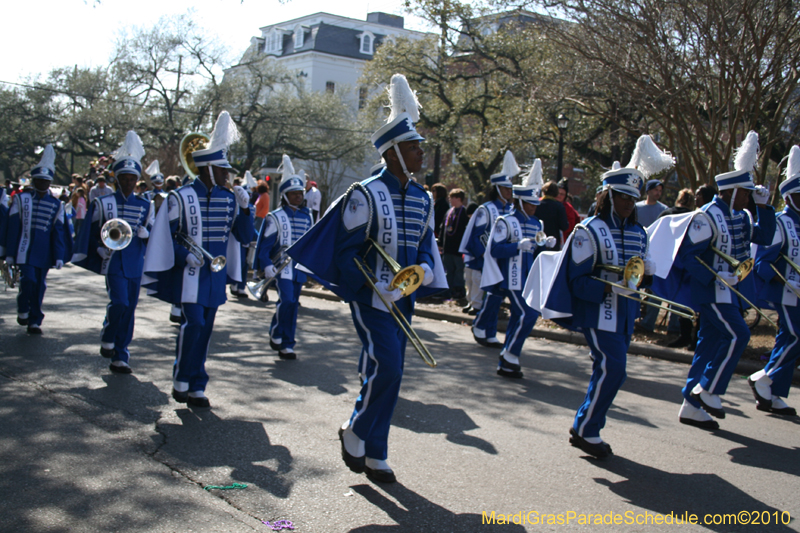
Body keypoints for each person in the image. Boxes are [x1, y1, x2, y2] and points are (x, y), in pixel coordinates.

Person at [287, 73, 446, 483]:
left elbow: (427, 243)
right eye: (414, 148)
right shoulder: (364, 193)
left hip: (404, 297)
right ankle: (356, 429)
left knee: (393, 375)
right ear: (393, 152)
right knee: (388, 367)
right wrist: (369, 285)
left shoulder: (423, 198)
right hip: (372, 297)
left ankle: (376, 451)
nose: (420, 154)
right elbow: (345, 253)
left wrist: (426, 268)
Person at [143, 111, 254, 408]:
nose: (228, 175)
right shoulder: (179, 198)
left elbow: (244, 237)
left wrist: (246, 210)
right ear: (208, 169)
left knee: (205, 330)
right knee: (193, 324)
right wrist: (184, 256)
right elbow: (167, 237)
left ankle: (196, 384)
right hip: (189, 274)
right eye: (223, 169)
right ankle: (182, 377)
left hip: (215, 276)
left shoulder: (230, 198)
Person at [675, 131, 775, 429]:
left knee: (708, 346)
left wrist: (765, 207)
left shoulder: (743, 216)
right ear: (731, 191)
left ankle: (691, 406)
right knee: (739, 335)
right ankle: (709, 390)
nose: (748, 197)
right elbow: (688, 257)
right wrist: (717, 275)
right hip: (711, 293)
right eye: (745, 192)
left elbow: (765, 237)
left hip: (730, 293)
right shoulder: (706, 216)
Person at [72, 131, 154, 374]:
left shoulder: (145, 205)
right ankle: (108, 331)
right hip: (113, 261)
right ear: (117, 179)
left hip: (135, 261)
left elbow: (153, 231)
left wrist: (147, 235)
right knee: (119, 302)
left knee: (129, 310)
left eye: (132, 179)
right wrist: (97, 247)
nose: (128, 182)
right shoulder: (103, 202)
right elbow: (91, 230)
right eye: (124, 178)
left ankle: (121, 354)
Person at [482, 159, 555, 378]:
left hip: (529, 276)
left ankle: (507, 361)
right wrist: (516, 246)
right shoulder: (504, 222)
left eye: (535, 204)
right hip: (510, 277)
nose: (533, 207)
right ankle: (511, 354)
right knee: (529, 314)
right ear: (520, 201)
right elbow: (494, 249)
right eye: (530, 203)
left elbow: (536, 249)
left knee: (519, 316)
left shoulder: (537, 223)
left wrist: (546, 245)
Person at [749, 145, 800, 418]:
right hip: (787, 293)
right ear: (790, 197)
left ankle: (775, 393)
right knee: (795, 336)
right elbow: (763, 262)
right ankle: (764, 377)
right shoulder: (782, 223)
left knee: (790, 339)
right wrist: (785, 282)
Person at [5, 145, 70, 334]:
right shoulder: (21, 199)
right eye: (39, 181)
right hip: (23, 249)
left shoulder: (57, 204)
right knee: (29, 280)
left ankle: (35, 319)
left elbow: (58, 232)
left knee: (40, 285)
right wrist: (9, 253)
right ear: (34, 181)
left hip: (44, 252)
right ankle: (23, 308)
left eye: (46, 181)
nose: (42, 184)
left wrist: (58, 255)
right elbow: (13, 228)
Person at [254, 156, 312, 359]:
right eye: (294, 194)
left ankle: (287, 343)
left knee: (293, 305)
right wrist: (266, 264)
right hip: (282, 267)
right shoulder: (275, 217)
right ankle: (276, 331)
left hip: (298, 268)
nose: (298, 197)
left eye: (300, 193)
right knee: (286, 300)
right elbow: (265, 246)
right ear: (285, 196)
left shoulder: (307, 216)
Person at [460, 151, 519, 347]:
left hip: (501, 262)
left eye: (511, 188)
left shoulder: (510, 210)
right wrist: (484, 259)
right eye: (506, 188)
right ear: (497, 188)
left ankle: (487, 329)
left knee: (496, 297)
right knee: (490, 297)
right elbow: (475, 238)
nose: (510, 192)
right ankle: (483, 327)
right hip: (484, 262)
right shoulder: (486, 209)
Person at [655, 188, 696, 348]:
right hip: (688, 263)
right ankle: (690, 337)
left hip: (670, 262)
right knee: (688, 300)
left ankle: (684, 334)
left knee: (675, 298)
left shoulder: (667, 214)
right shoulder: (694, 217)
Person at [439, 188, 468, 300]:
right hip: (448, 247)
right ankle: (447, 290)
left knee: (459, 271)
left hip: (458, 249)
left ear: (458, 199)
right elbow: (443, 228)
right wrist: (441, 242)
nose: (450, 200)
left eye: (452, 198)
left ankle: (458, 291)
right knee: (448, 270)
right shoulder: (449, 212)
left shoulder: (464, 213)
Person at [536, 181, 569, 250]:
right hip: (553, 243)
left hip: (538, 239)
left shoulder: (536, 205)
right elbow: (564, 226)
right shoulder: (559, 207)